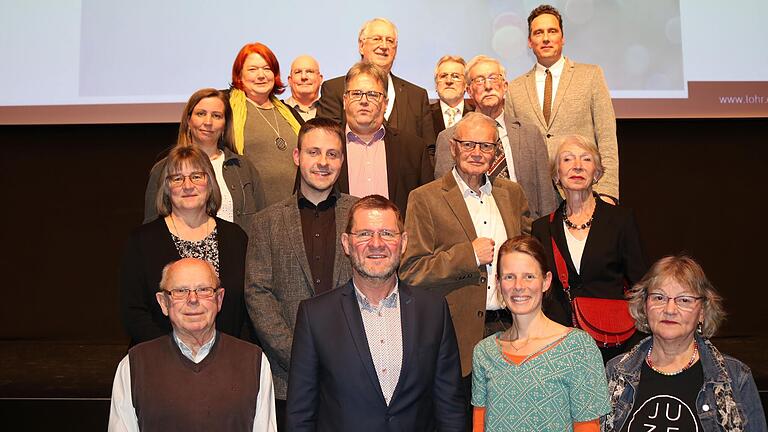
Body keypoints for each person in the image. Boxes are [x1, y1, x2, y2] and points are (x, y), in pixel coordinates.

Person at [286, 195, 465, 432]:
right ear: (346, 243)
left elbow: (450, 408)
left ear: (403, 243)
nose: (376, 243)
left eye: (387, 234)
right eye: (364, 234)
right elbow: (300, 416)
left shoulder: (433, 311)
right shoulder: (315, 316)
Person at [400, 112, 531, 382]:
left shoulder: (512, 194)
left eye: (485, 146)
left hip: (512, 329)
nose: (476, 152)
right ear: (453, 147)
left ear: (496, 152)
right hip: (455, 338)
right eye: (468, 144)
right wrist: (468, 255)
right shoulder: (425, 198)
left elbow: (530, 256)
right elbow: (412, 271)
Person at [245, 118, 356, 429]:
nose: (323, 162)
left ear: (342, 160)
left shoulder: (361, 216)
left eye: (332, 154)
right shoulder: (266, 221)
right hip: (289, 378)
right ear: (297, 157)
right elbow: (257, 293)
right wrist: (300, 356)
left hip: (355, 374)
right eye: (314, 152)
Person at [108, 258, 276, 431]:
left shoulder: (253, 363)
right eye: (180, 291)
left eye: (204, 290)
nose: (193, 299)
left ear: (219, 299)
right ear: (163, 303)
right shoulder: (134, 366)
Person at [603, 255, 767, 432]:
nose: (670, 310)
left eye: (684, 300)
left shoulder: (736, 377)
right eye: (659, 297)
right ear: (644, 305)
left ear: (702, 312)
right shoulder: (615, 371)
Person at [472, 236, 610, 431]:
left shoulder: (578, 348)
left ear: (546, 281)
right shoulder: (484, 352)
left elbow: (588, 426)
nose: (518, 286)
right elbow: (479, 426)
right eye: (509, 276)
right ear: (498, 283)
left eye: (529, 276)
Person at [532, 135, 646, 361]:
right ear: (556, 174)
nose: (577, 166)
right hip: (559, 344)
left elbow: (641, 284)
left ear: (597, 173)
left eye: (586, 159)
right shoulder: (542, 228)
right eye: (567, 159)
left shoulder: (620, 220)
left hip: (614, 342)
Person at [121, 146, 249, 346]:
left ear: (210, 183)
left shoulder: (236, 238)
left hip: (227, 363)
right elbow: (133, 312)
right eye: (177, 178)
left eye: (196, 176)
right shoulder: (141, 241)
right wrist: (174, 354)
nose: (188, 186)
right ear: (166, 187)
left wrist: (229, 353)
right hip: (160, 362)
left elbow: (247, 309)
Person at [506, 4, 620, 202]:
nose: (546, 38)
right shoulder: (515, 89)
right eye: (538, 32)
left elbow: (607, 138)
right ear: (529, 42)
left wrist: (607, 191)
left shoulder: (591, 75)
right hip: (536, 199)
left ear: (563, 38)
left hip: (586, 192)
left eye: (552, 31)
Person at [434, 55, 557, 219]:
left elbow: (545, 194)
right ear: (469, 90)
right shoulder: (449, 137)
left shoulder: (530, 134)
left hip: (525, 229)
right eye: (479, 80)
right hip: (474, 229)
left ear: (505, 86)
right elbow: (444, 199)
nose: (488, 86)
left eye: (493, 78)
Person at [143, 88, 266, 229]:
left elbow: (261, 224)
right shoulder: (163, 168)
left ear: (225, 124)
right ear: (188, 121)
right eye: (201, 114)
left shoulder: (243, 167)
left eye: (217, 116)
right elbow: (150, 229)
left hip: (239, 250)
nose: (208, 122)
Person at [316, 17, 435, 145]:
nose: (384, 46)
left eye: (390, 41)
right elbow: (325, 143)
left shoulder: (417, 96)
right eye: (377, 39)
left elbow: (429, 149)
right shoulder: (334, 89)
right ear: (361, 46)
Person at [336, 61, 432, 215]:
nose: (364, 100)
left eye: (373, 94)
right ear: (345, 101)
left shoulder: (413, 149)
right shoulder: (325, 147)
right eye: (356, 93)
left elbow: (427, 209)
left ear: (385, 104)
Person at [229, 42, 305, 206]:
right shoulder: (228, 113)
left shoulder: (289, 112)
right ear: (239, 75)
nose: (261, 75)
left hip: (294, 207)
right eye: (252, 69)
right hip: (252, 208)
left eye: (267, 68)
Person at [430, 55, 473, 137]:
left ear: (466, 84)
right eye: (443, 76)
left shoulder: (477, 114)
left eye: (456, 76)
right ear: (436, 84)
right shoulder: (424, 115)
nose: (449, 81)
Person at [284, 55, 323, 121]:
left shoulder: (333, 110)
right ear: (289, 80)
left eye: (310, 71)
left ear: (320, 79)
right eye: (298, 72)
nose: (304, 77)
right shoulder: (279, 110)